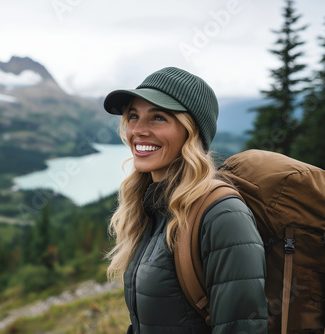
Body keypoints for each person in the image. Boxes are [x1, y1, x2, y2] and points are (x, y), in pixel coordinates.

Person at [103, 67, 268, 334]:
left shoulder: (223, 215)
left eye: (158, 118)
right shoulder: (151, 208)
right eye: (133, 116)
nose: (138, 130)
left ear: (192, 132)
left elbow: (243, 327)